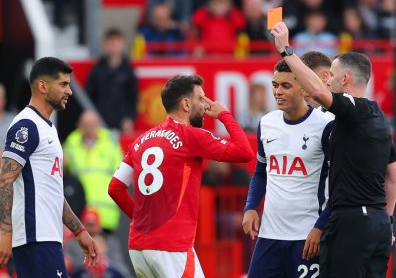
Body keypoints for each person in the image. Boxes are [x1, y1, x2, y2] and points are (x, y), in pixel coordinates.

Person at [271, 21, 396, 278]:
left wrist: (286, 51)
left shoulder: (354, 108)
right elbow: (393, 177)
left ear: (346, 78)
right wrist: (388, 220)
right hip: (379, 223)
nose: (328, 82)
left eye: (332, 76)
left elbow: (317, 91)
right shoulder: (381, 119)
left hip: (351, 222)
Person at [108, 74, 254, 277]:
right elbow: (245, 152)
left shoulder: (141, 140)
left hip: (139, 247)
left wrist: (140, 221)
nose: (205, 105)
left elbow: (115, 187)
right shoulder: (190, 136)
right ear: (186, 104)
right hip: (172, 248)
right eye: (201, 98)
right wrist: (224, 115)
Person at [0, 57, 100, 277]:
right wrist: (6, 233)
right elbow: (4, 179)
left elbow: (53, 191)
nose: (69, 91)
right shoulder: (27, 125)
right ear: (42, 86)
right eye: (63, 84)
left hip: (48, 237)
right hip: (35, 239)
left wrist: (79, 230)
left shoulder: (47, 128)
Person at [242, 57, 334, 277]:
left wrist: (320, 227)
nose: (278, 92)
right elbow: (260, 172)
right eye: (275, 85)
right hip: (269, 236)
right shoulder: (266, 123)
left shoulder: (325, 125)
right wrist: (251, 206)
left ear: (304, 89)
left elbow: (339, 185)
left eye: (286, 86)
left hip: (307, 237)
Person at [63, 110, 123, 233]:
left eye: (92, 124)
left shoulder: (110, 143)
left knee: (105, 250)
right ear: (79, 125)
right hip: (79, 213)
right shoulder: (72, 142)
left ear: (99, 125)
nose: (88, 128)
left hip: (105, 214)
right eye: (85, 124)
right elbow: (63, 170)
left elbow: (121, 175)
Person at [86, 28, 139, 135]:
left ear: (122, 44)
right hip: (100, 123)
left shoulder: (128, 70)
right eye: (110, 42)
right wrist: (93, 118)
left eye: (116, 42)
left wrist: (129, 118)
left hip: (122, 123)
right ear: (104, 45)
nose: (113, 46)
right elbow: (89, 96)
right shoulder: (97, 69)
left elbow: (133, 97)